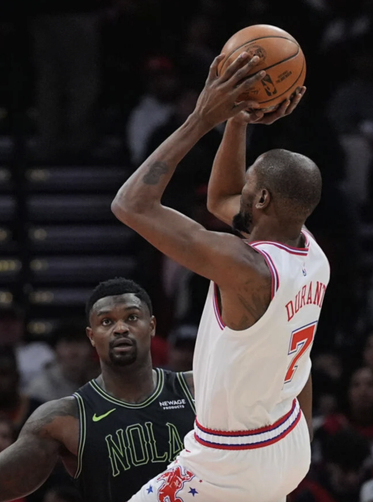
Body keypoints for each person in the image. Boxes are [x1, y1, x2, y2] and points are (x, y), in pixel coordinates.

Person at [111, 52, 324, 501]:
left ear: (262, 200)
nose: (238, 188)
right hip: (287, 439)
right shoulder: (309, 248)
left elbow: (129, 204)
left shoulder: (245, 267)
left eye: (249, 183)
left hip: (231, 458)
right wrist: (238, 120)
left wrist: (200, 119)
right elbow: (221, 198)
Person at [0, 278, 196, 502]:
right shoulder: (64, 418)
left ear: (152, 326)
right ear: (91, 336)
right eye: (106, 322)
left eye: (132, 317)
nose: (120, 328)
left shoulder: (197, 389)